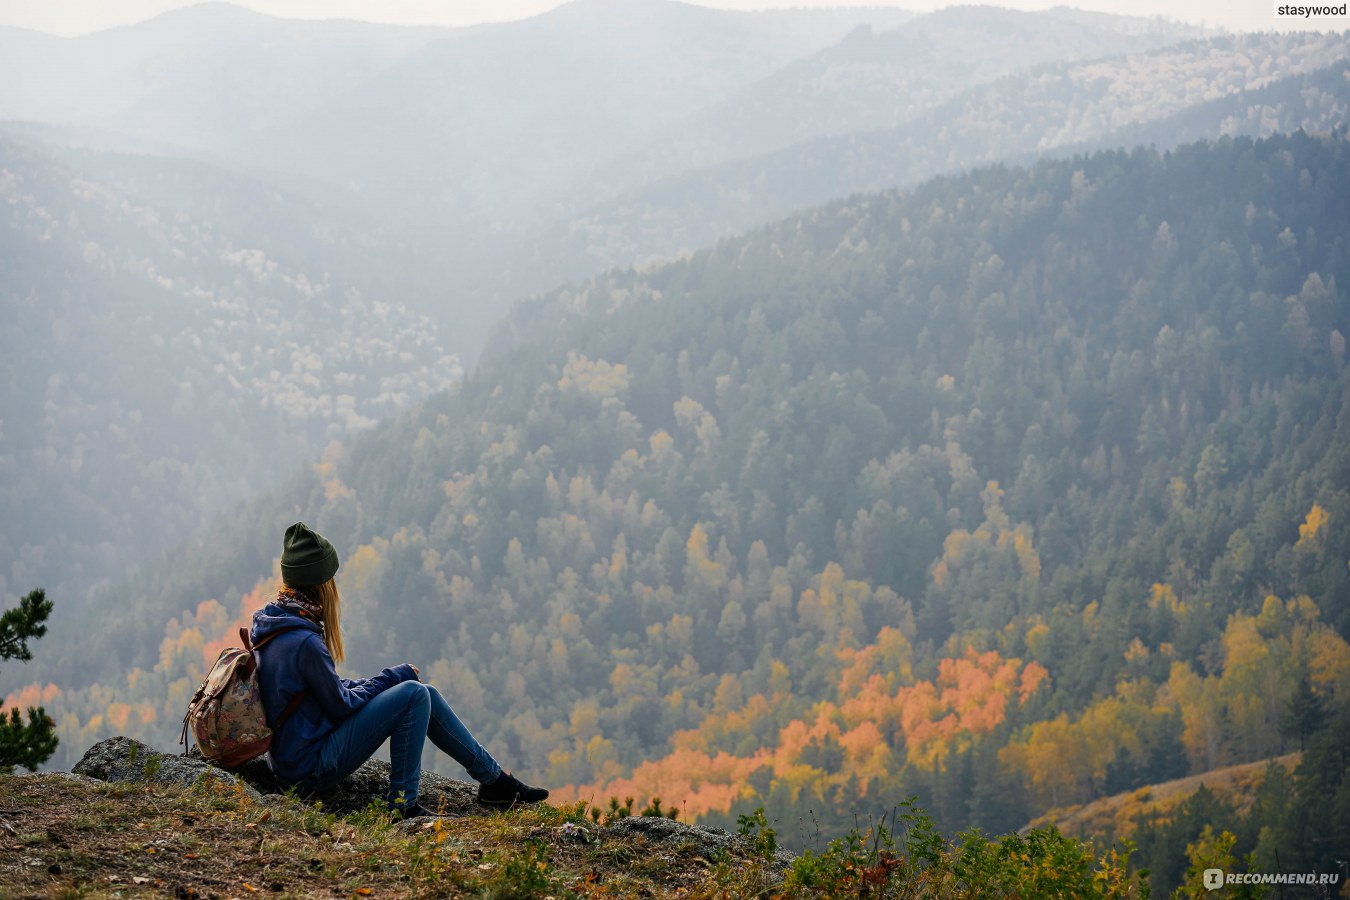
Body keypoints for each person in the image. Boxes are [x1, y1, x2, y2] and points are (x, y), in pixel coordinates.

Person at [251, 521, 548, 818]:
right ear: (320, 583)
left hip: (292, 757)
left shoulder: (277, 623)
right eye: (331, 577)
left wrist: (386, 681)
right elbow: (340, 705)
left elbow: (326, 692)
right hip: (309, 767)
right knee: (414, 695)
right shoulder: (304, 641)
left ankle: (494, 780)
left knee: (424, 693)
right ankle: (403, 805)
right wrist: (392, 677)